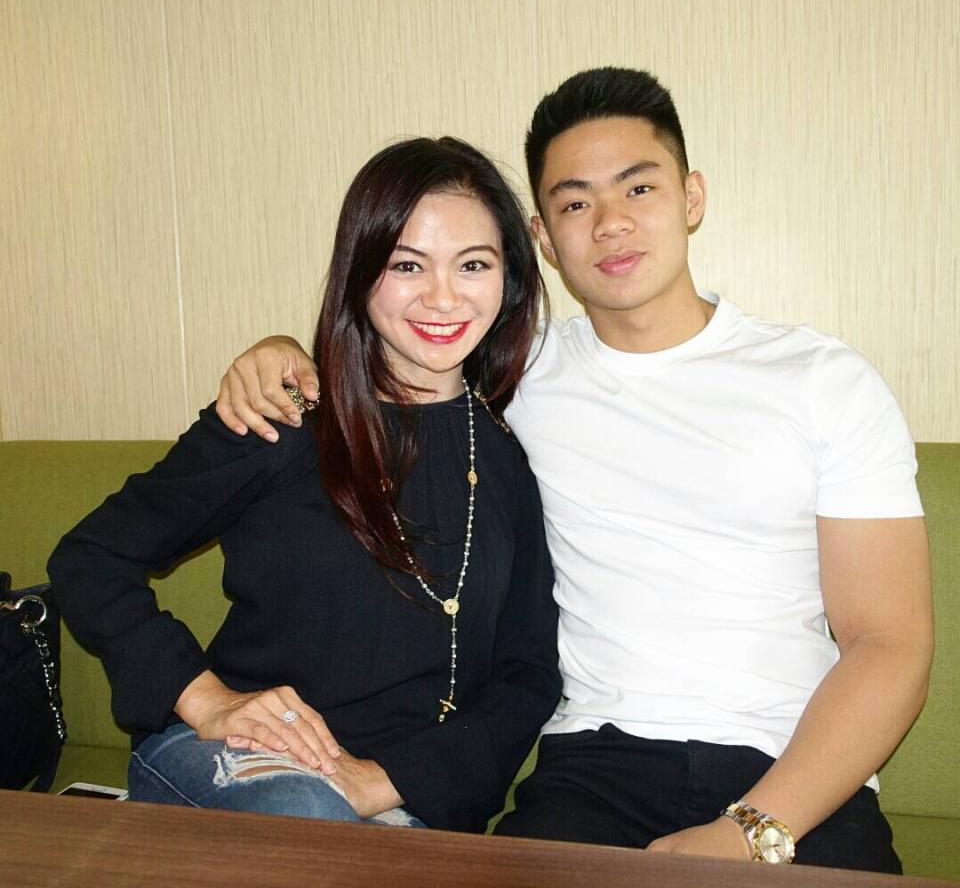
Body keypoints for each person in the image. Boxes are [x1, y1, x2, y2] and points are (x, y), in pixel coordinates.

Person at [214, 68, 932, 872]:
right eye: (577, 203)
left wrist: (751, 831)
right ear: (545, 239)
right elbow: (388, 352)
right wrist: (279, 355)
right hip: (593, 766)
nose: (612, 224)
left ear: (692, 197)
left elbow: (889, 643)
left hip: (795, 771)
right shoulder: (517, 374)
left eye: (639, 188)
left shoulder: (822, 381)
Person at [47, 136, 561, 833]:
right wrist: (206, 700)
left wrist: (386, 782)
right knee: (311, 819)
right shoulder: (284, 415)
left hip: (400, 802)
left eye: (473, 264)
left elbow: (528, 671)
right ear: (361, 270)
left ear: (509, 279)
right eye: (406, 264)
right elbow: (90, 557)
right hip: (245, 763)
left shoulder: (509, 456)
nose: (443, 297)